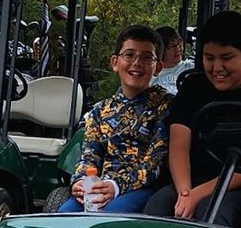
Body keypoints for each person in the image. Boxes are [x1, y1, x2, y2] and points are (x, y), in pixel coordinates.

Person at [144, 10, 241, 228]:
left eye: (226, 58)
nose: (217, 68)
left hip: (238, 185)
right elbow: (179, 145)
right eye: (209, 58)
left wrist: (197, 195)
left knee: (211, 215)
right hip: (189, 179)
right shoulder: (192, 88)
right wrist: (185, 193)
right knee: (157, 208)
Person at [59, 24, 171, 213]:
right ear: (115, 62)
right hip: (101, 187)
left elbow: (156, 162)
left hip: (142, 189)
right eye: (129, 55)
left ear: (158, 67)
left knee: (111, 216)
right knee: (65, 215)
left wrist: (115, 186)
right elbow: (89, 155)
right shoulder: (100, 111)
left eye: (146, 57)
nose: (137, 63)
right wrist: (80, 182)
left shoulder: (165, 106)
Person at [151, 26, 194, 95]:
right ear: (161, 50)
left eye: (179, 44)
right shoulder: (151, 75)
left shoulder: (191, 68)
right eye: (172, 46)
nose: (178, 49)